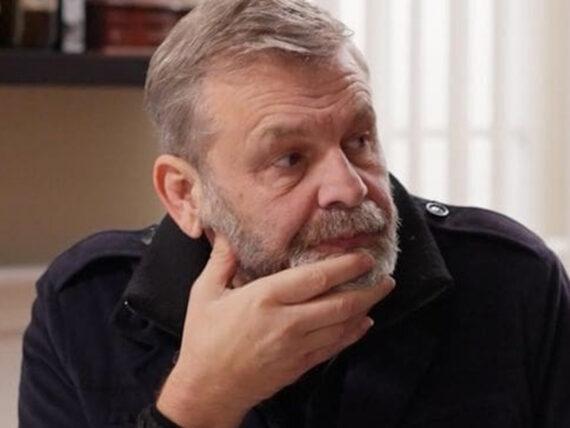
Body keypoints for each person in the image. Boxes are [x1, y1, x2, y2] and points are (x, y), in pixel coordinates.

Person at [19, 0, 570, 427]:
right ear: (186, 195)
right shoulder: (83, 306)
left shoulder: (512, 281)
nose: (348, 188)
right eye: (290, 159)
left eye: (358, 140)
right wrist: (201, 401)